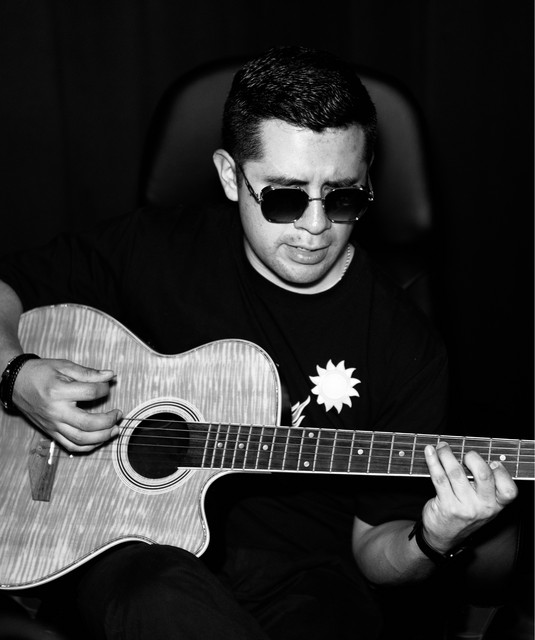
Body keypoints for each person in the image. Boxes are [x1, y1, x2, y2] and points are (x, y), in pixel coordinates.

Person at [0, 46, 518, 640]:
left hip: (307, 578)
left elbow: (377, 550)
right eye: (285, 196)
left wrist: (434, 538)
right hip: (126, 545)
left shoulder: (406, 346)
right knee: (157, 598)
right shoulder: (157, 248)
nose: (316, 226)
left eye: (344, 196)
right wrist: (17, 375)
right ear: (230, 176)